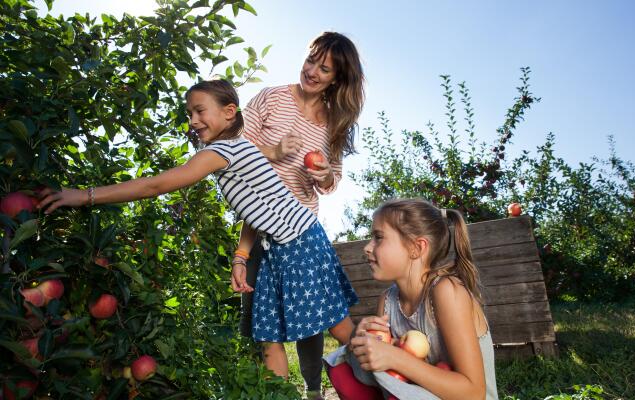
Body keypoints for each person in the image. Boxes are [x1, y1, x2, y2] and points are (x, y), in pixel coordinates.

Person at [36, 78, 359, 383]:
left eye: (200, 110)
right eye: (189, 113)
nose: (192, 120)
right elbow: (257, 208)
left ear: (229, 112)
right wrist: (240, 257)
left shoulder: (223, 152)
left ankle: (384, 376)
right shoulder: (241, 151)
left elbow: (155, 185)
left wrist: (84, 196)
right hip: (285, 243)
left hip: (298, 242)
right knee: (268, 335)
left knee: (337, 325)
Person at [231, 31, 365, 399]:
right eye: (311, 61)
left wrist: (325, 176)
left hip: (300, 227)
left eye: (325, 68)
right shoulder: (271, 99)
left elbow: (332, 179)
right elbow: (232, 149)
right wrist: (271, 151)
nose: (313, 72)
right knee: (262, 321)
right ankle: (280, 392)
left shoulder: (334, 121)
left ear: (336, 77)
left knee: (316, 318)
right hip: (258, 224)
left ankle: (313, 390)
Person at [324, 199, 498, 400]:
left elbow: (473, 393)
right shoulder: (388, 301)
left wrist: (396, 358)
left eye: (378, 237)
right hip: (421, 393)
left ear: (417, 248)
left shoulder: (447, 291)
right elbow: (388, 376)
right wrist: (362, 340)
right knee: (344, 367)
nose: (367, 247)